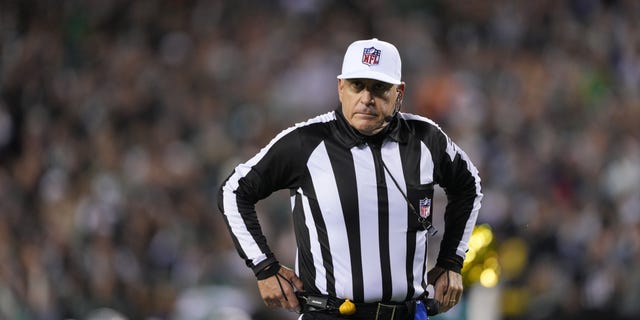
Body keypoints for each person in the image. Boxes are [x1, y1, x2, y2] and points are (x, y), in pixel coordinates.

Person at [218, 38, 482, 320]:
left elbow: (469, 186)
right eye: (358, 85)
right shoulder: (306, 142)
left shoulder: (425, 139)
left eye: (379, 88)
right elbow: (233, 190)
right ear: (341, 87)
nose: (366, 98)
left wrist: (452, 261)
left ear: (399, 92)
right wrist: (265, 267)